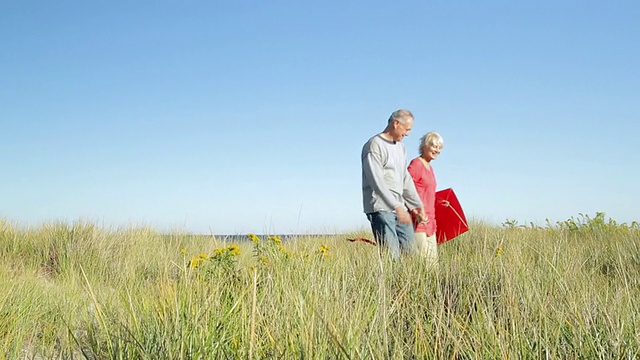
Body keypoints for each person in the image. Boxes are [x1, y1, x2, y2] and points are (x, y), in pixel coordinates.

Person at [361, 109, 427, 259]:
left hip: (400, 208)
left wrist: (416, 206)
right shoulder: (374, 145)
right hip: (381, 209)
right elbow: (376, 181)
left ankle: (408, 283)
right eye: (406, 129)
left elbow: (405, 178)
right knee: (391, 257)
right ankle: (388, 282)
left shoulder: (401, 147)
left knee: (412, 254)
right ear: (396, 123)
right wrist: (396, 206)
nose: (408, 134)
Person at [407, 132, 444, 265]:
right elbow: (404, 187)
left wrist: (440, 202)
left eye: (439, 147)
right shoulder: (416, 164)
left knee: (433, 263)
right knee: (424, 262)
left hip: (430, 220)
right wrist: (415, 212)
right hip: (417, 220)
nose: (437, 150)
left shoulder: (430, 168)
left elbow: (428, 193)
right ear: (424, 146)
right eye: (434, 146)